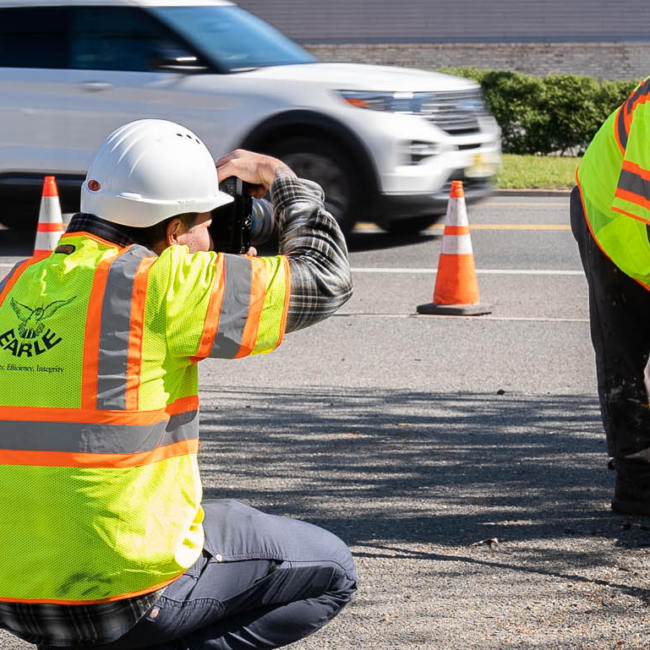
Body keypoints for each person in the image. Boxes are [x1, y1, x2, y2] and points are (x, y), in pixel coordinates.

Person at [0, 119, 356, 649]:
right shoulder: (162, 283)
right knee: (332, 569)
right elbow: (326, 277)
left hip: (15, 594)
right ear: (172, 231)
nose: (212, 239)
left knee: (224, 519)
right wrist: (282, 176)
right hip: (127, 594)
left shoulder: (16, 283)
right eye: (206, 224)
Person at [571, 75, 650, 516]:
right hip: (613, 228)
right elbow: (643, 211)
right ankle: (638, 484)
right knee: (624, 354)